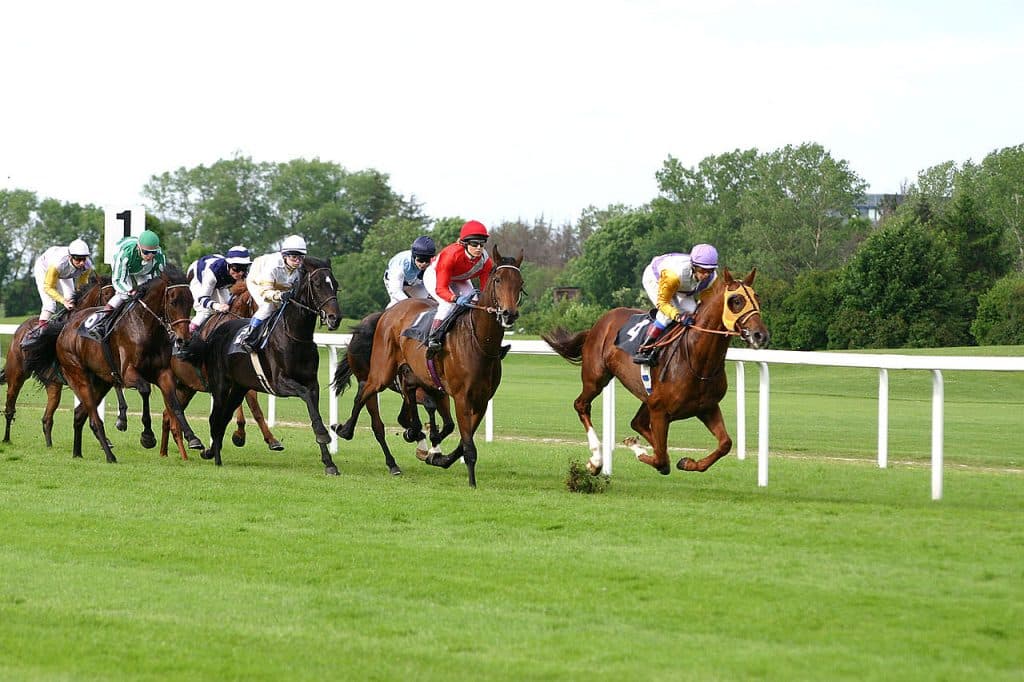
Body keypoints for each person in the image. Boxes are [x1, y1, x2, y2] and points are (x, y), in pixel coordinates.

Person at [632, 243, 719, 365]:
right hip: (657, 279)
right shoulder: (674, 275)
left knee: (694, 312)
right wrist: (679, 316)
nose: (706, 275)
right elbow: (663, 303)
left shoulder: (712, 279)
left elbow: (705, 303)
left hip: (682, 286)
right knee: (666, 316)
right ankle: (644, 349)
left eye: (710, 270)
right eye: (702, 270)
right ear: (694, 266)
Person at [422, 220, 494, 357]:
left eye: (482, 244)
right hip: (435, 276)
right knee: (447, 304)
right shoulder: (450, 255)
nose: (479, 248)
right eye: (474, 244)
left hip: (459, 278)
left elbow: (485, 289)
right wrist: (455, 298)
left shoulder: (485, 261)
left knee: (475, 302)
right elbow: (441, 289)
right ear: (465, 244)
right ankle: (433, 338)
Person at [83, 230, 166, 340]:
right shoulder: (125, 254)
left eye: (153, 252)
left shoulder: (159, 257)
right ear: (138, 247)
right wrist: (130, 291)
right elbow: (118, 281)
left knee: (149, 293)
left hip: (143, 270)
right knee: (123, 295)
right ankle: (100, 321)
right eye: (146, 252)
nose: (150, 256)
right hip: (125, 265)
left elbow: (160, 279)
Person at [239, 234, 306, 352]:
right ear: (285, 256)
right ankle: (249, 337)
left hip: (278, 286)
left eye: (301, 257)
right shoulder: (273, 266)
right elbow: (265, 291)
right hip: (257, 282)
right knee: (268, 306)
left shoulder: (299, 270)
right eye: (294, 257)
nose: (297, 261)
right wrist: (279, 296)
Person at [186, 245, 252, 332]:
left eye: (243, 269)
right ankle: (187, 335)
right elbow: (202, 299)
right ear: (229, 265)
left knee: (229, 308)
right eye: (236, 269)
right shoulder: (213, 273)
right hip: (198, 277)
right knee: (205, 311)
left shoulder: (244, 274)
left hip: (220, 283)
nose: (240, 273)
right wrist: (217, 306)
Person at [33, 238, 95, 329]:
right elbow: (48, 287)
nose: (82, 263)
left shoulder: (87, 266)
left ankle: (67, 326)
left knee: (71, 299)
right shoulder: (58, 264)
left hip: (64, 272)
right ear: (70, 257)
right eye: (78, 259)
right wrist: (63, 301)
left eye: (84, 259)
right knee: (50, 305)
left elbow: (81, 287)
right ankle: (39, 332)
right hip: (44, 268)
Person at [384, 236, 436, 308]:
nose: (424, 264)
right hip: (395, 282)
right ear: (413, 256)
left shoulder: (433, 263)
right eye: (421, 260)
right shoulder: (401, 263)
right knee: (398, 303)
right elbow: (396, 291)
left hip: (413, 283)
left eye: (427, 260)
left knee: (431, 301)